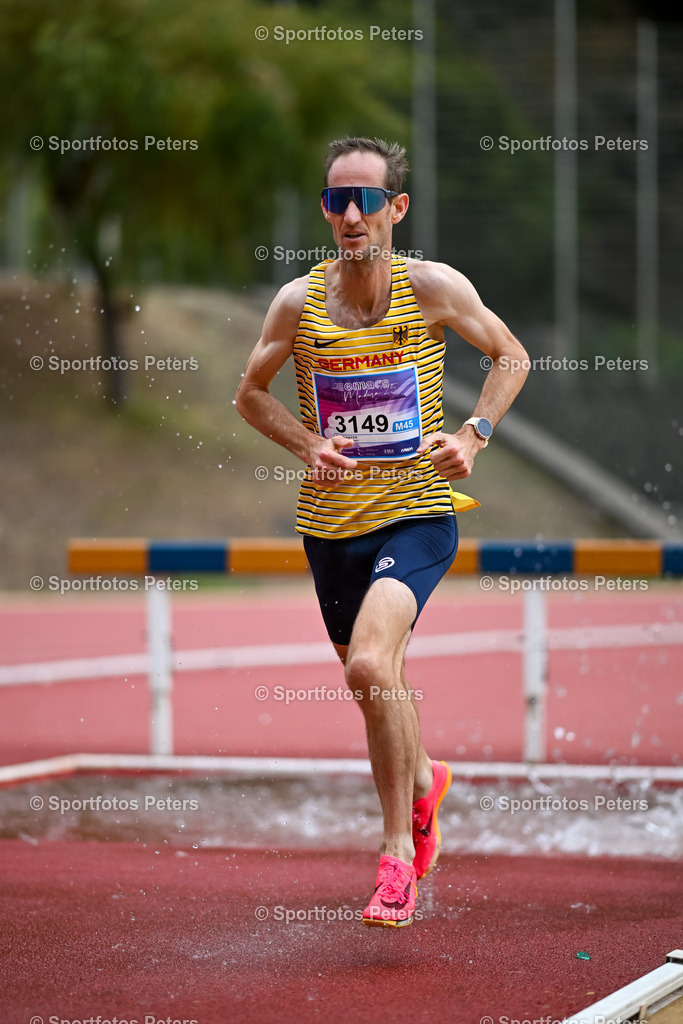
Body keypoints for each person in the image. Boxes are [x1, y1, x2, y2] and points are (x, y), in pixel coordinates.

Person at [236, 136, 529, 928]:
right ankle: (426, 776)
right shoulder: (298, 302)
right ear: (326, 211)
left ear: (396, 208)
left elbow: (509, 355)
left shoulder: (430, 287)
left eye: (367, 198)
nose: (352, 214)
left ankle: (396, 857)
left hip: (417, 514)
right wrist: (305, 442)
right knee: (374, 687)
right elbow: (249, 395)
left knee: (370, 663)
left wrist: (471, 435)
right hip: (330, 530)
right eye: (338, 201)